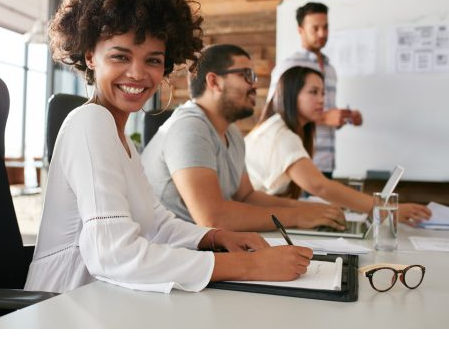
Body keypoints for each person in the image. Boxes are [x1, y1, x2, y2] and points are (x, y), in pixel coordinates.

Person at [24, 0, 313, 295]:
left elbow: (156, 222)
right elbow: (112, 254)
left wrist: (214, 236)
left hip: (107, 298)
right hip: (63, 306)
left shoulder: (121, 138)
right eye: (120, 56)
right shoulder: (91, 123)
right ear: (90, 56)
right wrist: (250, 266)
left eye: (153, 60)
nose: (137, 74)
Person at [142, 44, 346, 232]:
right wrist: (297, 216)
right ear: (214, 82)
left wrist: (310, 209)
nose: (255, 85)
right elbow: (212, 218)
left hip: (202, 249)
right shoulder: (189, 128)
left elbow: (246, 197)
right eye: (247, 75)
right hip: (172, 256)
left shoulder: (232, 133)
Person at [245, 66, 431, 226]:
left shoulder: (280, 128)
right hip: (251, 221)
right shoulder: (281, 135)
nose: (321, 100)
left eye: (323, 93)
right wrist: (384, 208)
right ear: (291, 95)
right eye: (313, 92)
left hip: (261, 217)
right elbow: (320, 186)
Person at [267, 2, 362, 178]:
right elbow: (274, 111)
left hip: (326, 161)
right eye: (315, 28)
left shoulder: (330, 70)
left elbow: (321, 111)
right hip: (297, 160)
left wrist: (343, 117)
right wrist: (325, 118)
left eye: (326, 27)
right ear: (300, 30)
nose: (322, 33)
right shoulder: (289, 66)